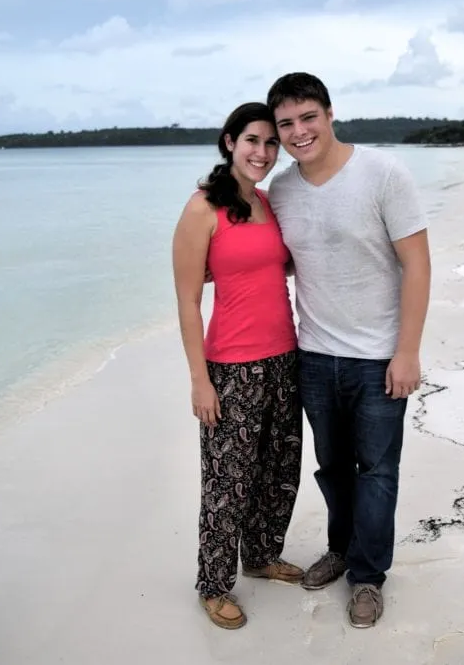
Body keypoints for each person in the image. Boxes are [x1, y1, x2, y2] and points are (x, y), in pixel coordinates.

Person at [265, 73, 432, 628]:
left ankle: (367, 576)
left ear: (330, 114)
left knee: (378, 471)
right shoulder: (283, 191)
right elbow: (280, 259)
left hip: (378, 357)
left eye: (307, 117)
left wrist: (407, 351)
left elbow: (418, 264)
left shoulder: (383, 174)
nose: (297, 131)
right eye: (285, 123)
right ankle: (341, 548)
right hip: (313, 355)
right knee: (332, 467)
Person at [171, 102, 305, 630]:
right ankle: (213, 584)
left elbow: (285, 266)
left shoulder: (271, 204)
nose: (264, 152)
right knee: (227, 481)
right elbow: (186, 301)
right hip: (231, 367)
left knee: (279, 470)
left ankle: (262, 555)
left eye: (272, 144)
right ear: (229, 142)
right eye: (254, 140)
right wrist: (199, 380)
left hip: (285, 357)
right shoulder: (203, 208)